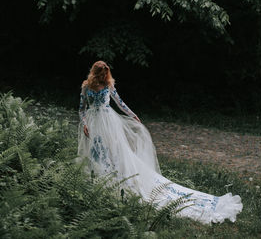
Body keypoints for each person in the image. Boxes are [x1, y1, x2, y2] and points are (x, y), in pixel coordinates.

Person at [77, 61, 243, 225]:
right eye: (101, 73)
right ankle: (98, 184)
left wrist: (133, 115)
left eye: (105, 73)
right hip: (94, 123)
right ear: (95, 73)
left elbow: (120, 103)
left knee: (115, 153)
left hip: (109, 123)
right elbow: (82, 108)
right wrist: (84, 123)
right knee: (96, 153)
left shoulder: (109, 85)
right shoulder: (86, 87)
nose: (104, 76)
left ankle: (116, 181)